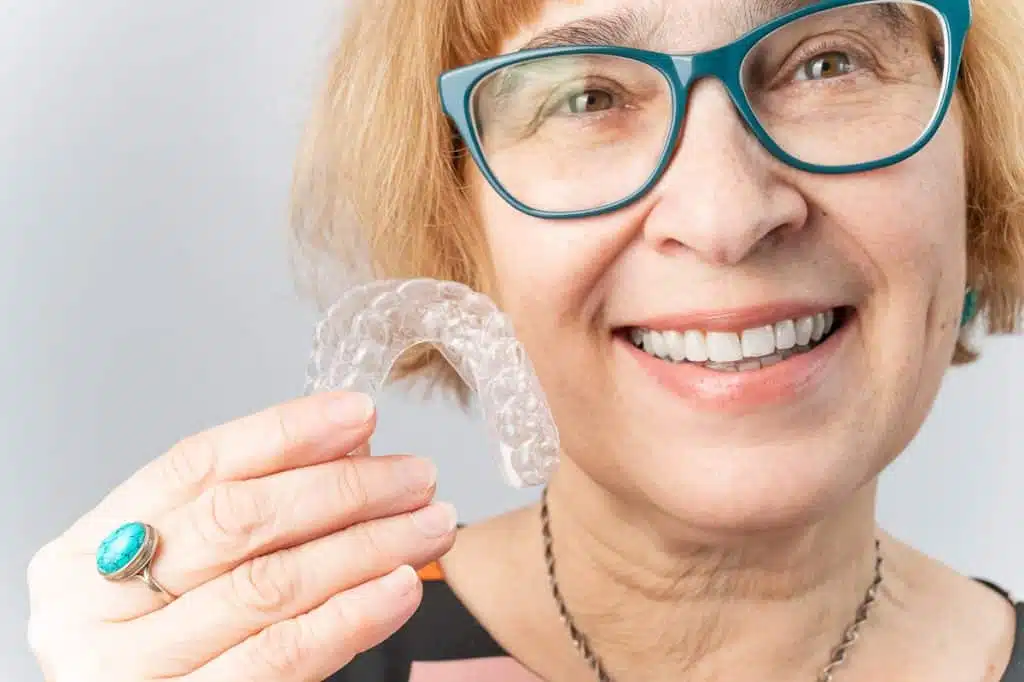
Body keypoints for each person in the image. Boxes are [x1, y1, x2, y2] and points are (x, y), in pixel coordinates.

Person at [26, 0, 1024, 680]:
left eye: (828, 60)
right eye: (587, 97)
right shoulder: (297, 661)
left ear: (975, 147)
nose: (726, 214)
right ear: (457, 216)